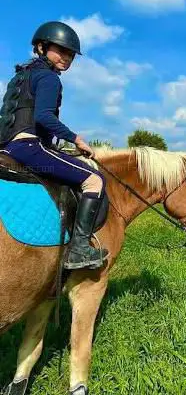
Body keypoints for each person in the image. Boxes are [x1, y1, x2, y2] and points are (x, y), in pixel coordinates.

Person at [0, 21, 109, 269]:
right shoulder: (49, 78)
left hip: (7, 147)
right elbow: (44, 117)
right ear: (41, 47)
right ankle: (79, 250)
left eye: (70, 54)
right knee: (95, 180)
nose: (66, 57)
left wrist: (55, 145)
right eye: (60, 50)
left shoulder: (20, 77)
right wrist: (76, 139)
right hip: (28, 148)